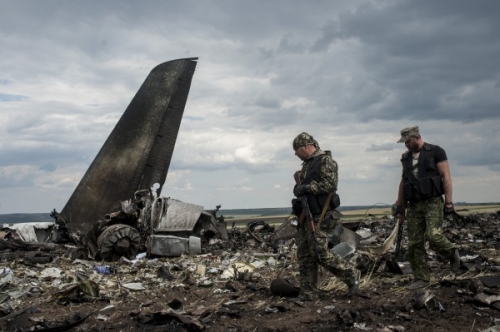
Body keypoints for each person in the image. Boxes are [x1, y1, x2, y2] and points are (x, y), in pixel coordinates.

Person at [291, 132, 360, 301]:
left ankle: (351, 275)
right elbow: (302, 187)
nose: (295, 153)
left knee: (320, 252)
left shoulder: (325, 161)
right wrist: (299, 189)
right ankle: (308, 294)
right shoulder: (308, 164)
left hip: (321, 215)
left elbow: (330, 185)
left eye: (297, 149)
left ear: (307, 146)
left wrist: (306, 188)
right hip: (306, 215)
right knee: (305, 255)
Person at [395, 126, 460, 289]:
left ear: (417, 137)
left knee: (434, 236)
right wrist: (399, 205)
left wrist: (449, 202)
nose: (406, 145)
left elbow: (446, 176)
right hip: (414, 204)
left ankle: (451, 252)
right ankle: (421, 279)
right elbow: (403, 181)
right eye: (404, 142)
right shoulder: (406, 157)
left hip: (432, 201)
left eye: (408, 141)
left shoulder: (436, 151)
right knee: (414, 243)